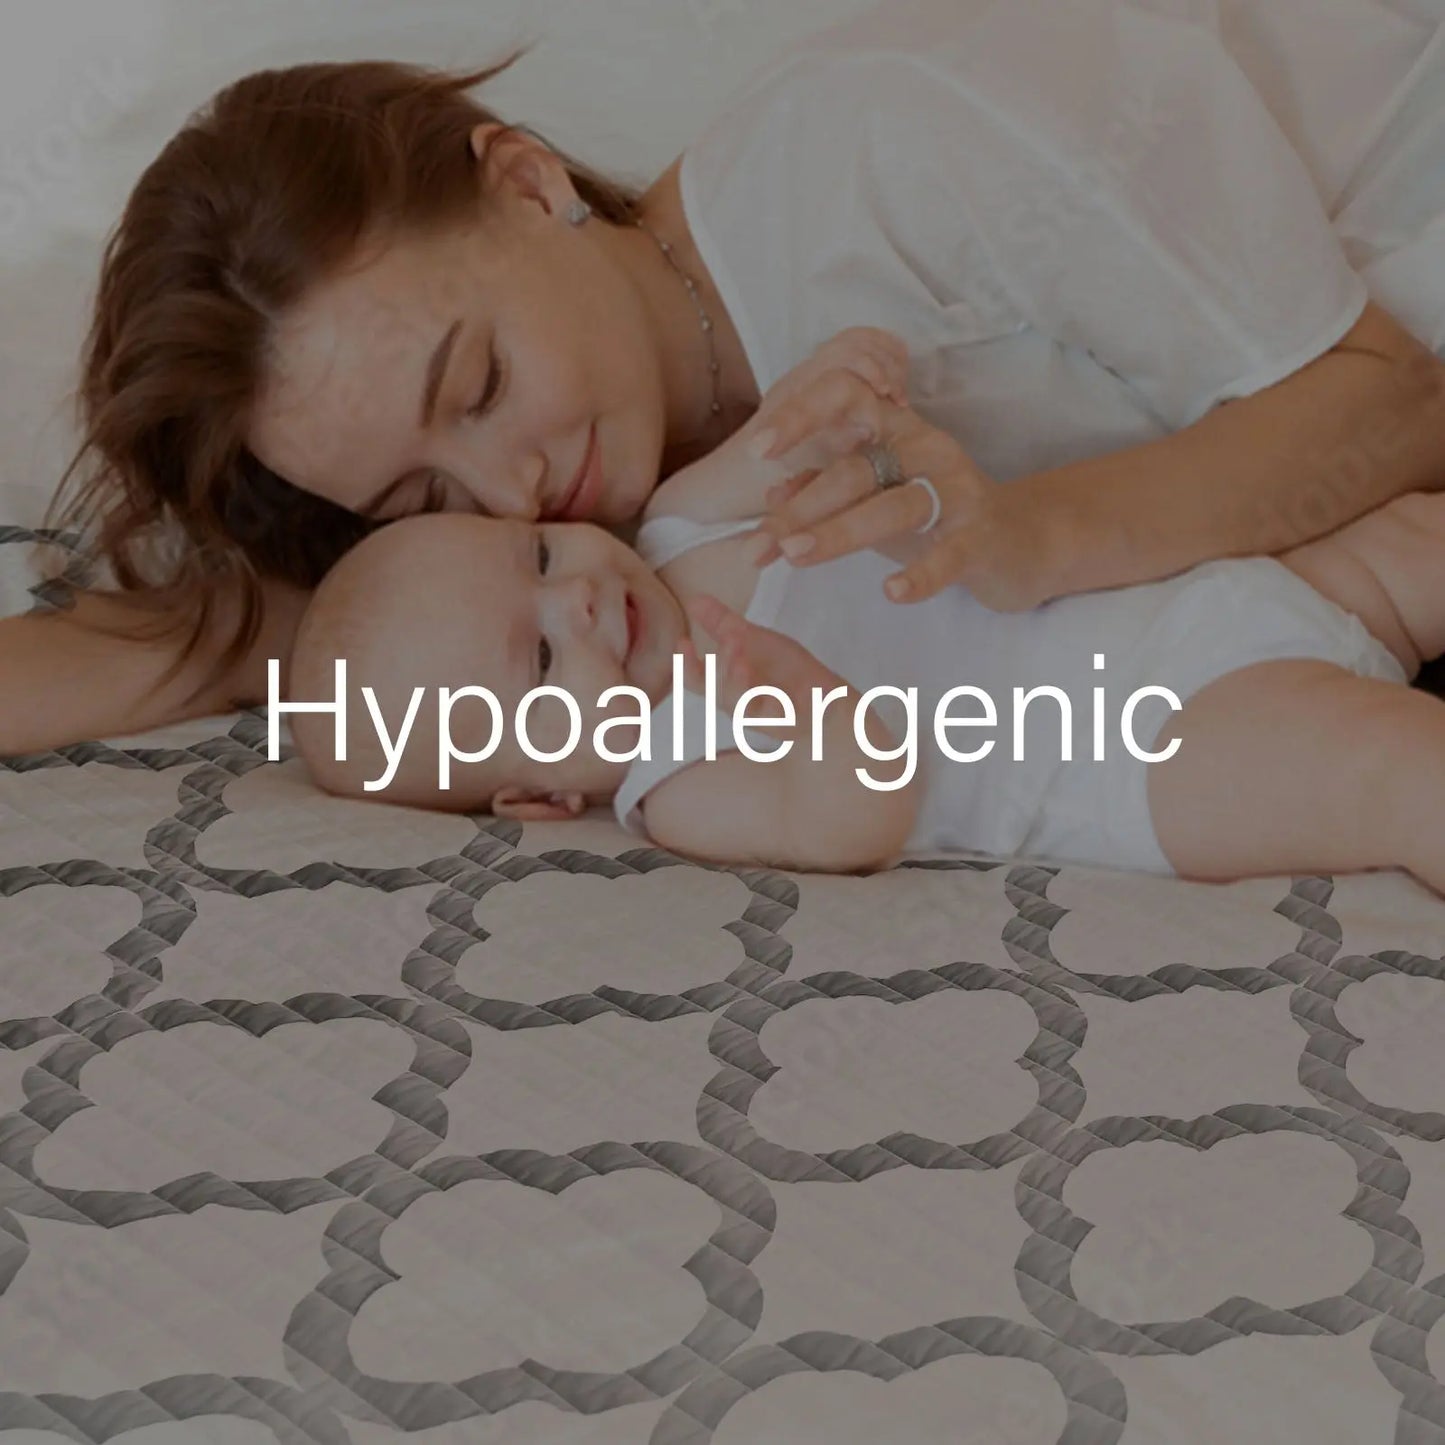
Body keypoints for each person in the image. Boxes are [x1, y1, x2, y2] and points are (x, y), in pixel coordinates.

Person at [6, 0, 1445, 756]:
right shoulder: (586, 559)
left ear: (526, 182)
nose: (510, 488)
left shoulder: (899, 145)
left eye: (481, 381)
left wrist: (1036, 537)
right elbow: (271, 642)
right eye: (419, 495)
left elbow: (1393, 396)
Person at [283, 347, 1445, 893]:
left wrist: (840, 389)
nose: (574, 597)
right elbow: (855, 817)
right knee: (1388, 768)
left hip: (1169, 581)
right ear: (542, 796)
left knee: (1412, 539)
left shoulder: (681, 521)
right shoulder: (675, 783)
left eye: (538, 556)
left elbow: (802, 437)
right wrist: (811, 712)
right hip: (1142, 751)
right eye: (540, 658)